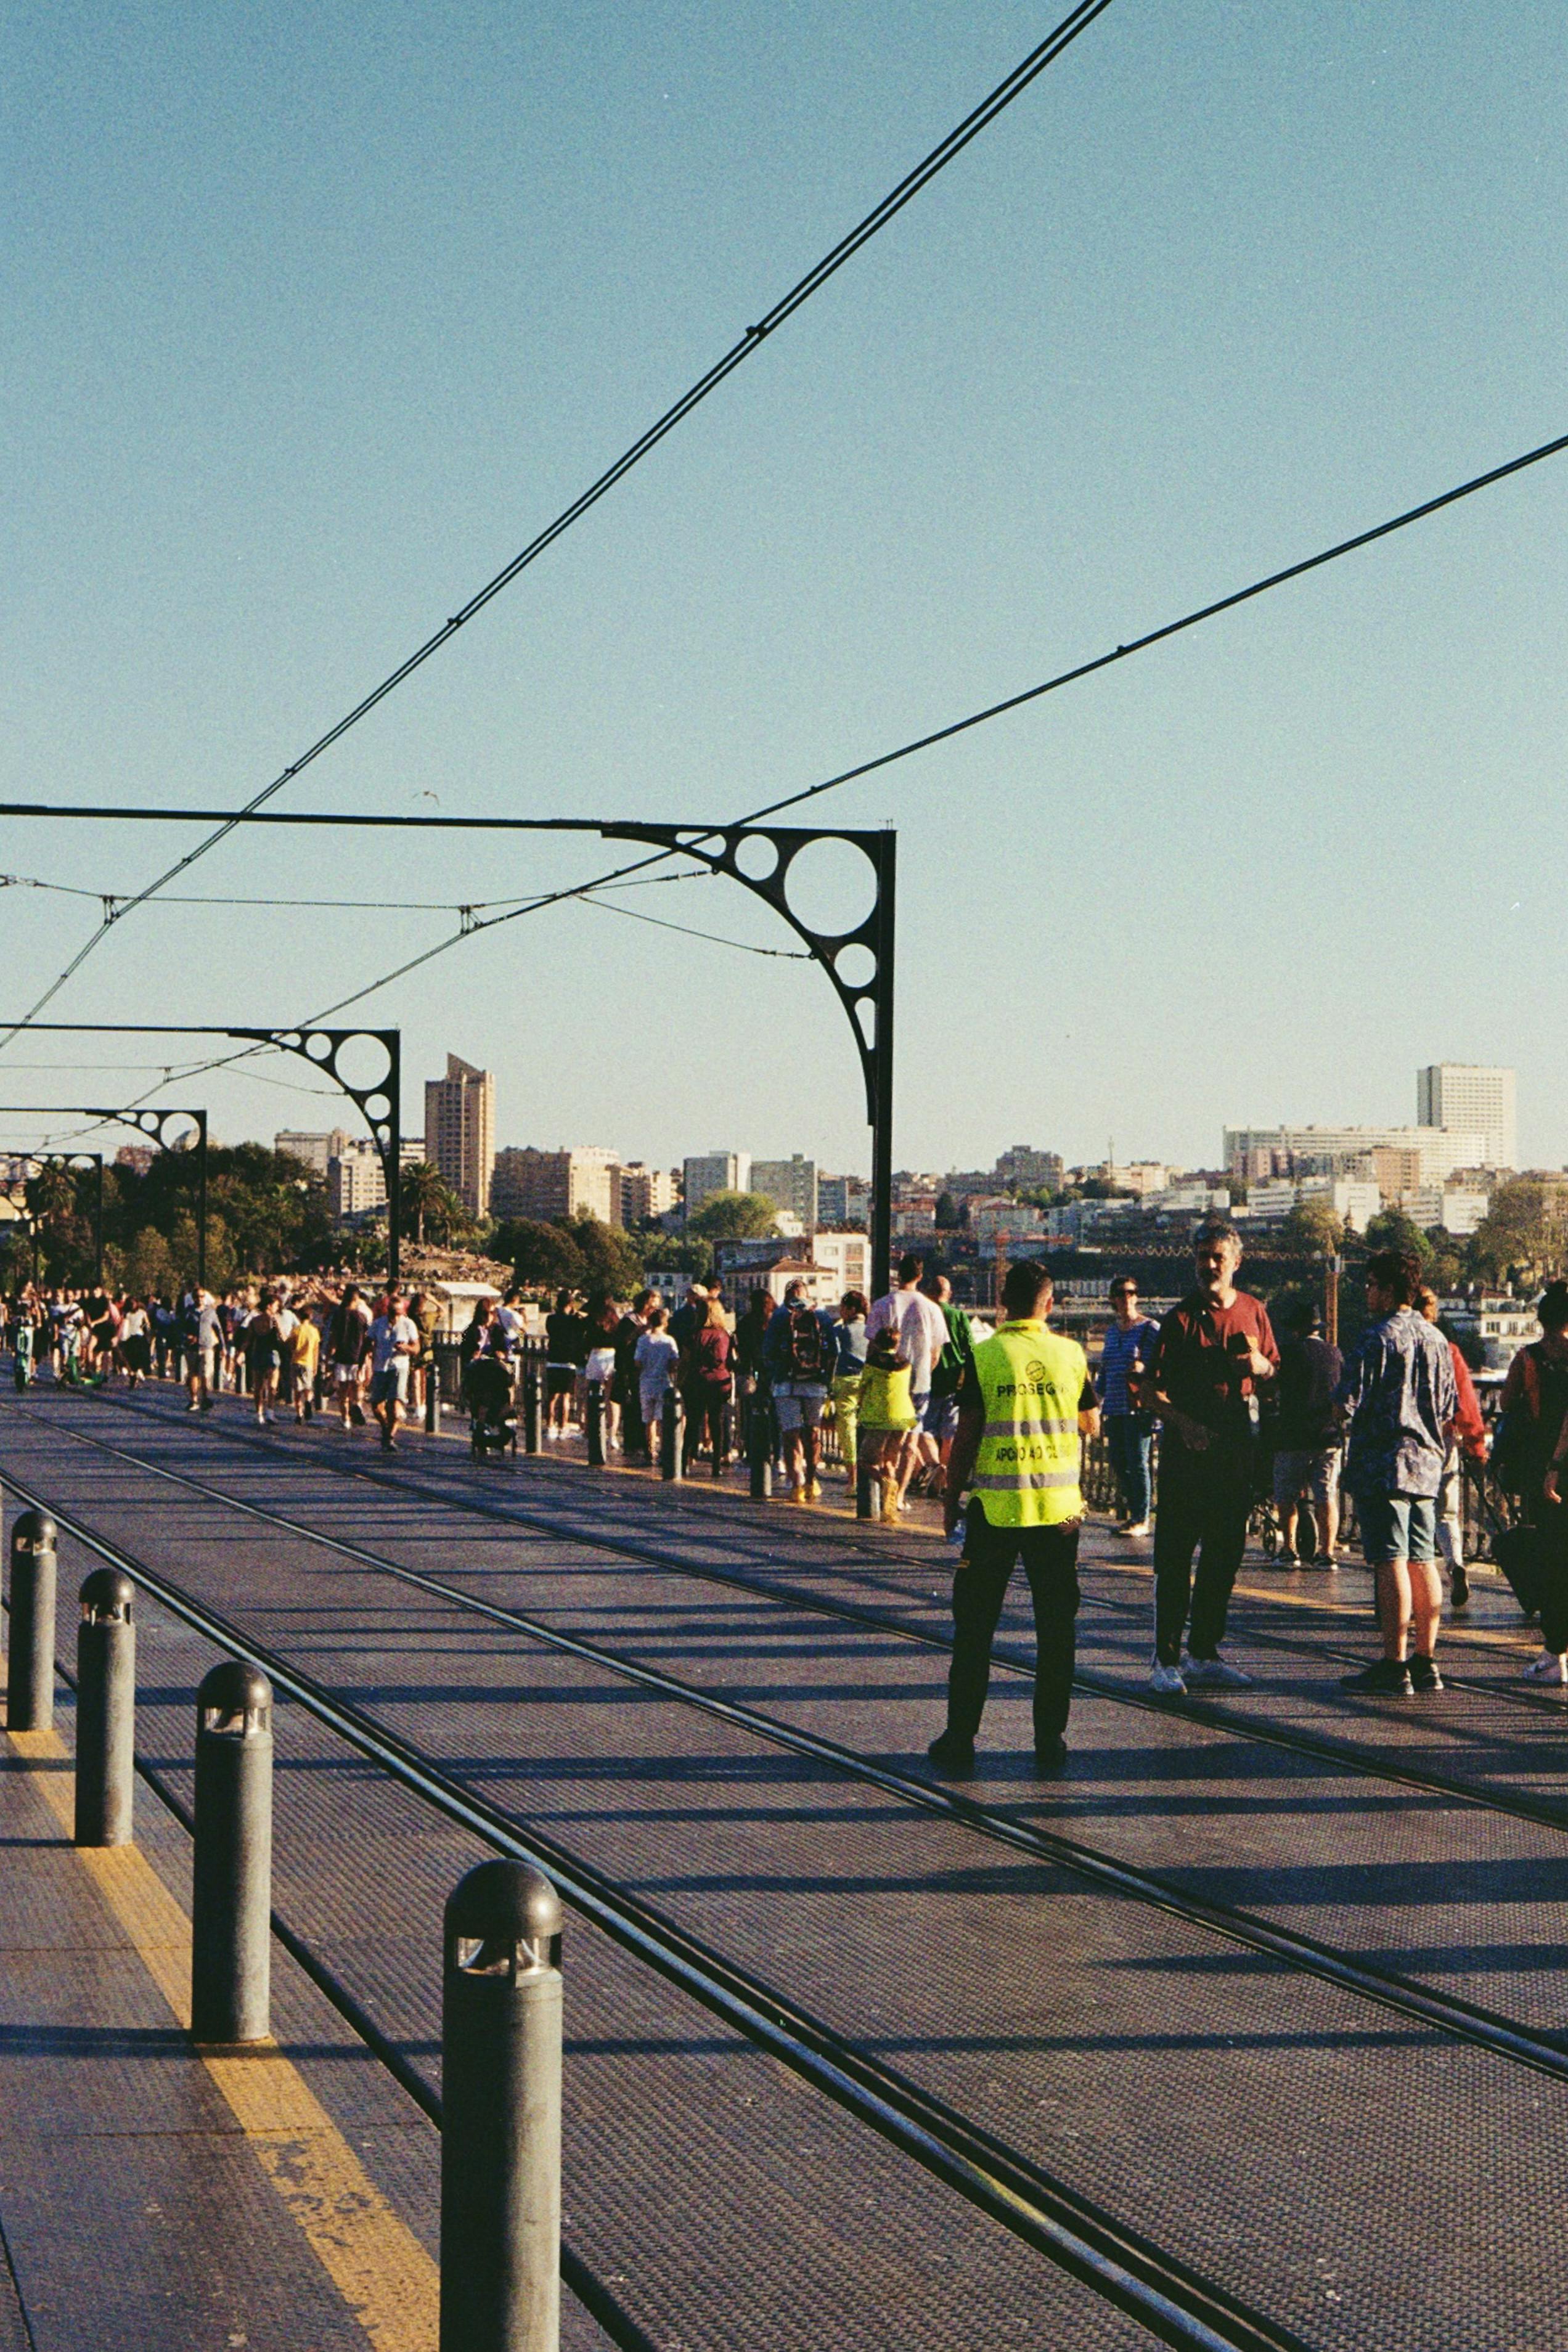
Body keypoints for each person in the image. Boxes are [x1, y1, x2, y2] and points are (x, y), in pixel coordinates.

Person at [929, 1261, 1100, 1776]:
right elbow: (1090, 1422)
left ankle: (960, 1740)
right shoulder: (1071, 1354)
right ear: (1049, 1304)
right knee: (1055, 1632)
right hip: (1059, 1515)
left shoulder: (985, 1356)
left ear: (1003, 1302)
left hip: (996, 1514)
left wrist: (950, 1495)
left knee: (975, 1631)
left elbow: (969, 1435)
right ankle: (1049, 1741)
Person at [1146, 1217, 1278, 1694]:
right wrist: (1184, 1424)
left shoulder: (1254, 1311)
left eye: (1218, 1257)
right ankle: (1164, 1659)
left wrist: (1259, 1364)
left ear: (1236, 1263)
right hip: (1187, 1454)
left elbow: (1273, 1370)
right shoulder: (1179, 1319)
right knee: (1176, 1557)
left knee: (1224, 1555)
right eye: (1202, 1257)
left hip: (1235, 1451)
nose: (1209, 1266)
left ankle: (1204, 1651)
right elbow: (1150, 1392)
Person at [1334, 1249, 1458, 1696]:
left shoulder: (1376, 1338)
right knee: (1423, 1559)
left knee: (1390, 1560)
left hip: (1383, 1462)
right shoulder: (1438, 1340)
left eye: (1370, 1285)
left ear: (1387, 1290)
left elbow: (1346, 1402)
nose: (1366, 1292)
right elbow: (1449, 1407)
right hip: (1427, 1463)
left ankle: (1394, 1662)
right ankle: (1427, 1660)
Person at [1509, 1283, 1568, 1681]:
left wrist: (1553, 1463)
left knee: (1552, 1557)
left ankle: (1554, 1653)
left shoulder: (1529, 1358)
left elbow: (1506, 1401)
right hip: (1558, 1464)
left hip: (1546, 1467)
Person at [1415, 1285, 1487, 1607]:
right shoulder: (1448, 1349)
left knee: (1412, 1510)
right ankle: (1456, 1564)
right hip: (1444, 1437)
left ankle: (1417, 1579)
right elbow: (1466, 1402)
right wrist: (1475, 1445)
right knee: (1447, 1511)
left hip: (1407, 1438)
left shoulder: (1394, 1341)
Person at [867, 1256, 949, 1511]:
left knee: (881, 1441)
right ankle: (899, 1497)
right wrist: (924, 1372)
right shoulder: (932, 1308)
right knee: (910, 1443)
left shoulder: (883, 1305)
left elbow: (872, 1347)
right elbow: (936, 1353)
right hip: (919, 1383)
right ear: (920, 1276)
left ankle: (885, 1483)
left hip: (887, 1382)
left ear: (897, 1275)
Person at [1270, 1299, 1344, 1565]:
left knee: (1287, 1497)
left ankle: (1289, 1550)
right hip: (1328, 1436)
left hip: (1293, 1436)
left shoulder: (1288, 1353)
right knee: (1327, 1496)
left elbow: (1274, 1388)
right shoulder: (1335, 1354)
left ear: (1296, 1330)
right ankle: (1327, 1552)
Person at [1096, 1276, 1161, 1536]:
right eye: (1121, 1294)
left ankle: (1140, 1518)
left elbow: (1162, 1363)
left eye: (1131, 1293)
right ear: (1113, 1299)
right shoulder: (1112, 1332)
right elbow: (1105, 1369)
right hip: (1114, 1406)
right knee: (1118, 1461)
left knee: (1137, 1462)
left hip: (1138, 1406)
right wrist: (1094, 1399)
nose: (1127, 1298)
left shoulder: (1150, 1328)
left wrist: (1145, 1368)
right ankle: (1133, 1511)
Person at [763, 1276, 836, 1501]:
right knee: (813, 1432)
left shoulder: (779, 1316)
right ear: (806, 1295)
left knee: (791, 1433)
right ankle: (813, 1481)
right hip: (815, 1384)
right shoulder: (821, 1316)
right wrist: (828, 1381)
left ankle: (797, 1484)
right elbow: (834, 1351)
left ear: (787, 1297)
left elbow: (768, 1352)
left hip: (785, 1384)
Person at [856, 1321, 920, 1523]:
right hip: (903, 1417)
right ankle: (888, 1510)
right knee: (890, 1460)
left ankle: (884, 1483)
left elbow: (863, 1387)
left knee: (866, 1461)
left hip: (879, 1417)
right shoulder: (906, 1363)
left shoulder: (873, 1364)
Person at [919, 1273, 974, 1499]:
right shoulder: (958, 1316)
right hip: (954, 1381)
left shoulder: (925, 1314)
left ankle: (934, 1470)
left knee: (925, 1430)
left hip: (928, 1380)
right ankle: (947, 1480)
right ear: (948, 1294)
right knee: (950, 1433)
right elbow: (970, 1349)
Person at [684, 1295, 734, 1476]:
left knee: (693, 1421)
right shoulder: (723, 1334)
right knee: (716, 1421)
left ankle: (685, 1459)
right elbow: (722, 1358)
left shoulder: (694, 1333)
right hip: (718, 1381)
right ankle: (716, 1463)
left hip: (695, 1379)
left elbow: (687, 1358)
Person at [368, 1288, 420, 1451]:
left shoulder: (408, 1324)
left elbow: (416, 1347)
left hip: (399, 1366)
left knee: (394, 1403)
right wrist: (364, 1361)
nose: (395, 1316)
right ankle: (385, 1427)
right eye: (392, 1312)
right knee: (376, 1404)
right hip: (380, 1367)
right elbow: (368, 1342)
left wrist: (406, 1348)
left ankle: (390, 1437)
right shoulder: (378, 1324)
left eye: (398, 1312)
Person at [828, 1290, 869, 1485]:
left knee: (847, 1428)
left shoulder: (841, 1331)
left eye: (843, 1308)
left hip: (845, 1379)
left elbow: (832, 1355)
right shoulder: (872, 1329)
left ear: (851, 1309)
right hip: (868, 1380)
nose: (841, 1312)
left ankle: (853, 1476)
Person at [634, 1307, 681, 1461]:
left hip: (646, 1381)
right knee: (663, 1419)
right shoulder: (669, 1341)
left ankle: (650, 1449)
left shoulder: (643, 1340)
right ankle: (664, 1449)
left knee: (649, 1419)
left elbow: (638, 1362)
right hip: (664, 1382)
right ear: (665, 1323)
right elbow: (675, 1362)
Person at [327, 1284, 372, 1428]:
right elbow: (367, 1340)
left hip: (341, 1357)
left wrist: (329, 1359)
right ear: (357, 1298)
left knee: (342, 1390)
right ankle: (356, 1405)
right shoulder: (362, 1317)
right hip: (357, 1357)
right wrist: (367, 1358)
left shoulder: (338, 1315)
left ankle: (345, 1418)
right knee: (357, 1386)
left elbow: (333, 1339)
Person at [544, 1289, 581, 1441]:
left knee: (552, 1397)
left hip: (553, 1359)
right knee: (566, 1397)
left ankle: (550, 1426)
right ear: (571, 1304)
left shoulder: (550, 1319)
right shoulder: (574, 1321)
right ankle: (563, 1427)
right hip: (568, 1361)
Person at [290, 1304, 322, 1425]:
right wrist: (315, 1365)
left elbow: (291, 1346)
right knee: (308, 1387)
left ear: (299, 1316)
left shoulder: (296, 1330)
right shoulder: (314, 1331)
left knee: (297, 1391)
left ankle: (299, 1414)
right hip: (308, 1362)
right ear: (311, 1317)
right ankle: (308, 1401)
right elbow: (316, 1350)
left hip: (296, 1361)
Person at [117, 1296, 152, 1390]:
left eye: (133, 1303)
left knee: (139, 1357)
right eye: (130, 1304)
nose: (132, 1305)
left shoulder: (142, 1313)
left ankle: (136, 1373)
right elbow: (123, 1325)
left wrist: (147, 1329)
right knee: (129, 1358)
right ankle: (133, 1375)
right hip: (129, 1338)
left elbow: (148, 1325)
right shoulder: (127, 1314)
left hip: (139, 1337)